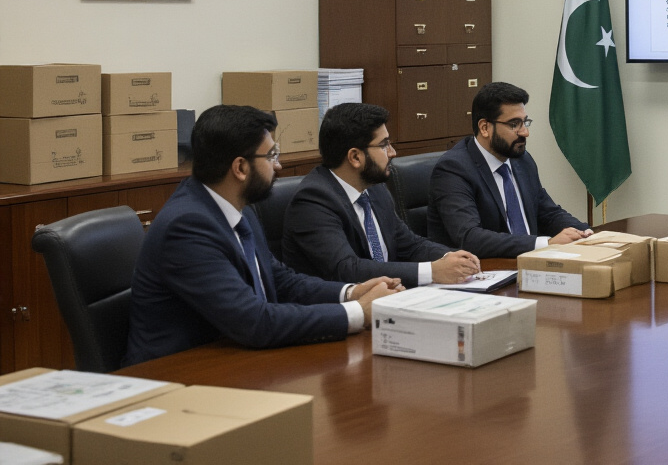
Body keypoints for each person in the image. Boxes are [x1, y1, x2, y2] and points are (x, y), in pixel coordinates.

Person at [122, 106, 400, 367]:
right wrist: (359, 312)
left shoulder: (238, 208)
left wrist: (352, 292)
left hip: (234, 358)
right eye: (271, 156)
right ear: (240, 168)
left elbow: (281, 281)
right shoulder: (187, 227)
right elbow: (253, 321)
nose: (278, 166)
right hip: (176, 373)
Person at [283, 102, 482, 287]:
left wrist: (454, 257)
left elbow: (409, 245)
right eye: (384, 144)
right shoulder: (313, 201)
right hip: (337, 316)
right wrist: (431, 271)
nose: (393, 152)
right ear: (355, 157)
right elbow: (347, 269)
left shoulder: (374, 188)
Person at [428, 81, 592, 258]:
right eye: (514, 124)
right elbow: (470, 237)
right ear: (485, 128)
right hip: (481, 272)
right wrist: (546, 243)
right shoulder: (453, 170)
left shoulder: (521, 160)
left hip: (528, 266)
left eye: (525, 122)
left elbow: (548, 213)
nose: (525, 133)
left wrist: (585, 233)